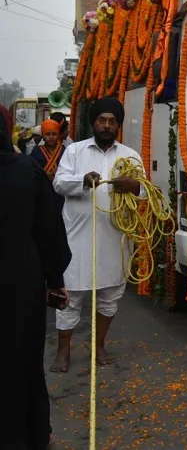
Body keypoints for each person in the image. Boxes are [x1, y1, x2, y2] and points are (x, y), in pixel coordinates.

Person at [51, 97, 143, 373]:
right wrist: (83, 181)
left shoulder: (129, 155)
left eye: (112, 121)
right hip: (77, 240)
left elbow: (146, 190)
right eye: (102, 120)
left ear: (118, 125)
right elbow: (58, 183)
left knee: (110, 296)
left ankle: (99, 345)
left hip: (115, 240)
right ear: (93, 122)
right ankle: (63, 351)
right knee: (71, 299)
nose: (106, 125)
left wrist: (134, 187)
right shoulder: (75, 152)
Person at [1, 105, 71, 449]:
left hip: (21, 282)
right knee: (23, 360)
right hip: (20, 286)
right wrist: (55, 280)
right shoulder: (28, 174)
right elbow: (49, 235)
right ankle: (30, 434)